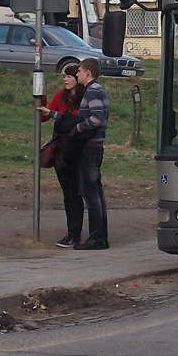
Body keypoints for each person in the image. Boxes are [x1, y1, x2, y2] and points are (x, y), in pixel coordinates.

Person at [36, 65, 85, 248]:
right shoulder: (60, 96)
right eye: (64, 76)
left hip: (77, 150)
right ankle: (71, 232)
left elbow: (77, 121)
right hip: (61, 150)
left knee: (75, 192)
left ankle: (75, 233)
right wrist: (42, 97)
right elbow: (44, 117)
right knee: (67, 193)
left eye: (69, 76)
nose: (65, 79)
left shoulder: (84, 98)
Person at [63, 58, 110, 250]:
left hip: (90, 147)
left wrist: (77, 129)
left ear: (88, 73)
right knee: (96, 192)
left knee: (91, 194)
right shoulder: (97, 90)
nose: (77, 75)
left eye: (80, 71)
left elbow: (96, 118)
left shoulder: (92, 90)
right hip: (95, 147)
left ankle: (97, 238)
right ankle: (99, 236)